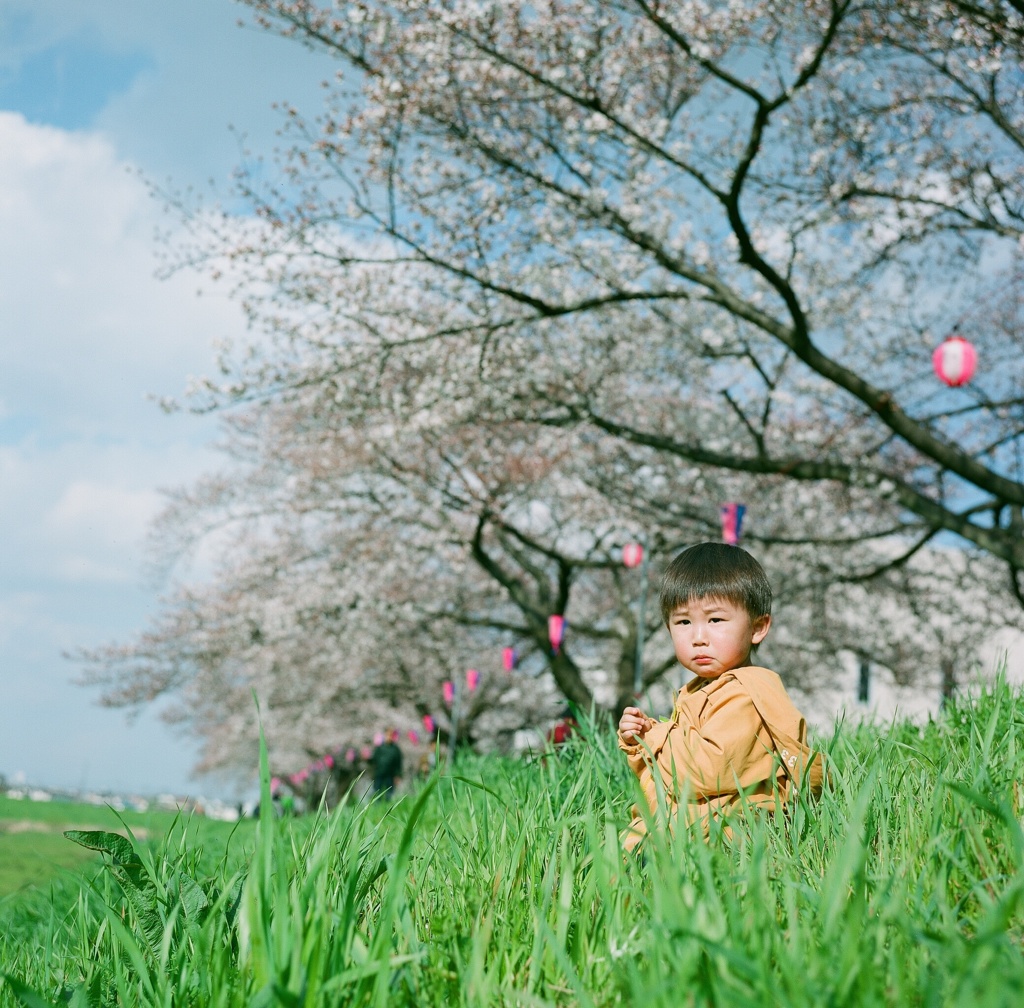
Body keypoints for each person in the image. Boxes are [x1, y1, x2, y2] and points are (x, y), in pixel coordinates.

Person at [617, 542, 823, 851]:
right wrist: (639, 744)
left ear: (757, 627)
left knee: (636, 849)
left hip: (730, 833)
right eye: (684, 622)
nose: (699, 637)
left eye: (715, 620)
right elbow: (666, 782)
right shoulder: (698, 690)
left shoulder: (746, 692)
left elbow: (705, 772)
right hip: (696, 825)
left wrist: (657, 736)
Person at [370, 728, 403, 797]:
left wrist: (398, 775)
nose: (389, 737)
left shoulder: (395, 749)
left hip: (390, 775)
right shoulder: (379, 748)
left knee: (389, 793)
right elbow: (374, 760)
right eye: (387, 735)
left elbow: (398, 763)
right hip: (379, 774)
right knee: (377, 791)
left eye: (391, 735)